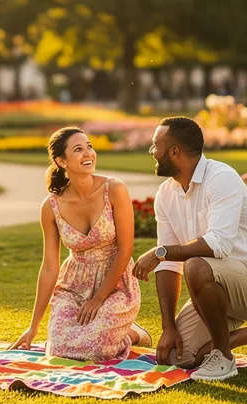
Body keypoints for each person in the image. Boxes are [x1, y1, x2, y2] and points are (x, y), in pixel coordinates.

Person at [131, 117, 247, 381]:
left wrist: (161, 252)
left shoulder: (222, 179)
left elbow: (219, 244)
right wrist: (168, 327)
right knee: (178, 357)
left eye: (155, 145)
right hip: (214, 285)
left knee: (195, 264)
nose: (152, 151)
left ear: (174, 152)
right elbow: (170, 266)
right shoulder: (165, 194)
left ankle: (224, 358)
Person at [10, 127, 149, 361]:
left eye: (89, 147)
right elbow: (49, 268)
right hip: (73, 286)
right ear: (61, 161)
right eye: (78, 150)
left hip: (116, 285)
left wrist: (98, 299)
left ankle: (134, 333)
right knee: (59, 351)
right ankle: (121, 330)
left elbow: (125, 250)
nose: (88, 154)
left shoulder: (114, 189)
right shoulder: (50, 207)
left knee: (95, 349)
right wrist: (33, 326)